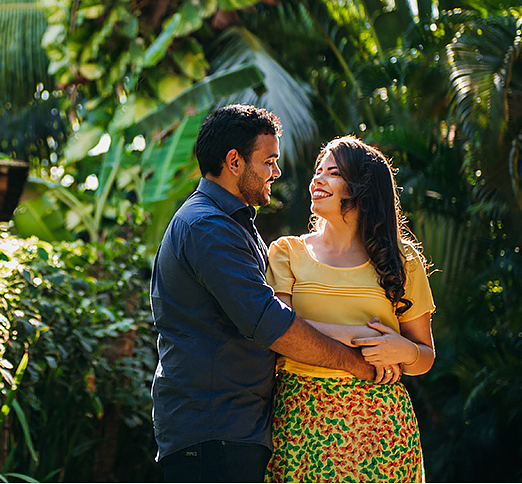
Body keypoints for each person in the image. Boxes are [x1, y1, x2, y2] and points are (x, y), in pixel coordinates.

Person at [151, 105, 384, 483]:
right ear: (234, 162)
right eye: (269, 161)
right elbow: (269, 322)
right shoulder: (208, 226)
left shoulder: (232, 223)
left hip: (230, 430)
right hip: (213, 433)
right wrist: (355, 365)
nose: (276, 172)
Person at [264, 136, 436, 482]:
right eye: (317, 171)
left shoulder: (402, 261)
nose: (317, 180)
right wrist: (359, 338)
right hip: (301, 416)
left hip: (380, 425)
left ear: (360, 187)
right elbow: (276, 329)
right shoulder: (287, 253)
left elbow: (425, 357)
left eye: (332, 173)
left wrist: (402, 349)